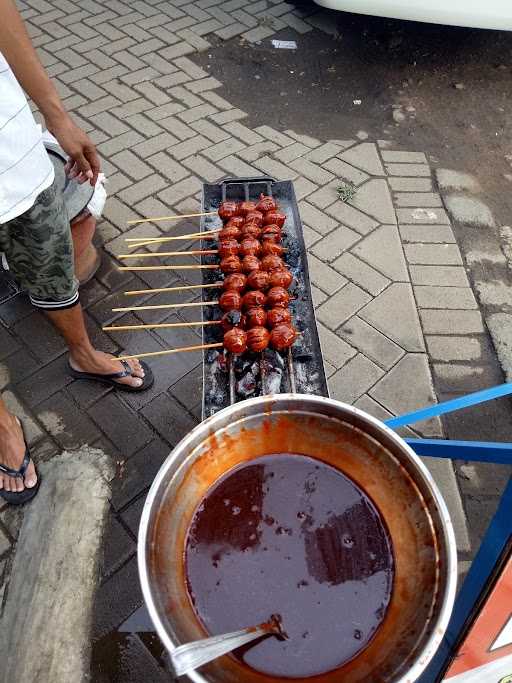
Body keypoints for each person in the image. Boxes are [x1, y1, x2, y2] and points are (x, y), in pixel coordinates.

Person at [0, 0, 153, 505]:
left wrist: (56, 114)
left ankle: (84, 354)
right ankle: (2, 427)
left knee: (53, 269)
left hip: (10, 158)